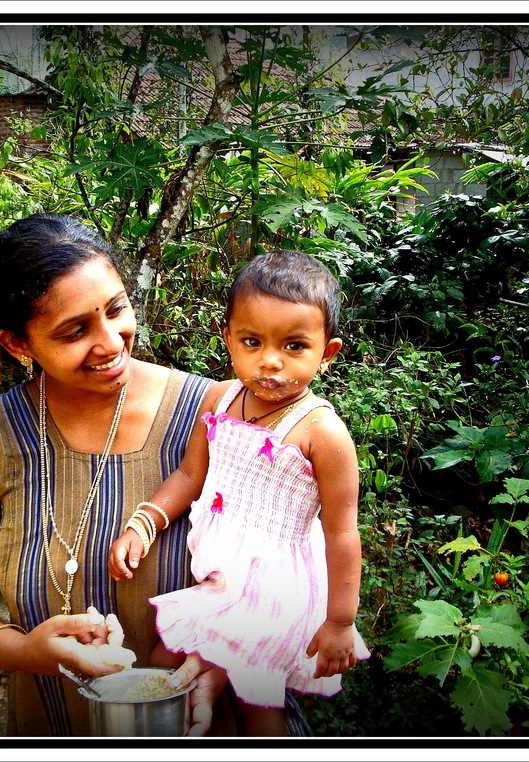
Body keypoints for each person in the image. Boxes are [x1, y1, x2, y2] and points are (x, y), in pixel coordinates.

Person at [0, 213, 247, 736]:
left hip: (207, 722)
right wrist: (25, 651)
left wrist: (230, 650)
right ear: (17, 344)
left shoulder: (217, 416)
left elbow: (291, 569)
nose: (111, 342)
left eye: (116, 309)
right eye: (75, 330)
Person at [109, 249, 370, 736]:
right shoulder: (220, 398)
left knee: (255, 696)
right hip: (224, 576)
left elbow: (342, 532)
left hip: (276, 589)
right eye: (252, 341)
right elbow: (190, 476)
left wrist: (338, 622)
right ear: (228, 337)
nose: (269, 361)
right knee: (165, 659)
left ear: (326, 352)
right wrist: (144, 522)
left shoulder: (322, 432)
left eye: (294, 346)